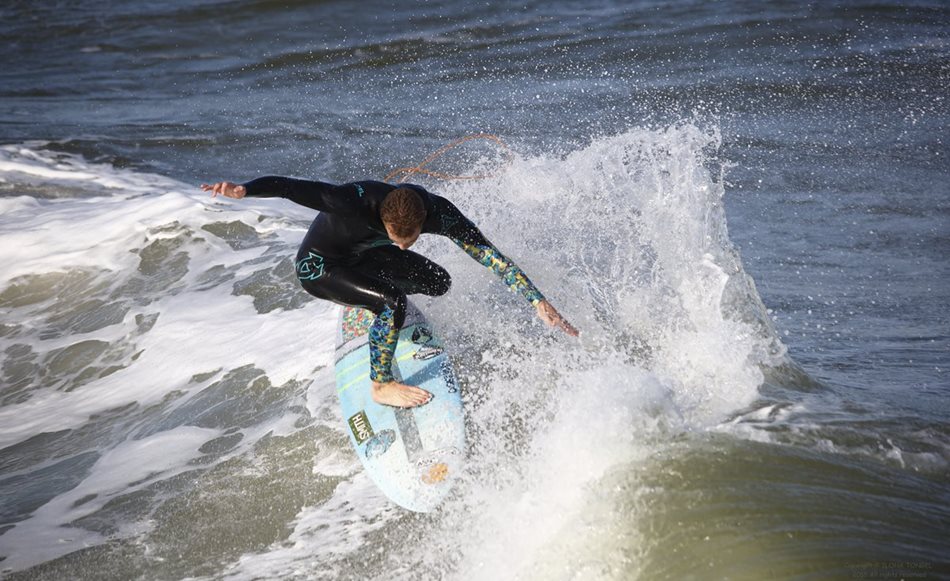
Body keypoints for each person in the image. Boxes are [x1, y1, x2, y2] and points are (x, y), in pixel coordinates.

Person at [201, 177, 578, 408]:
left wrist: (537, 301)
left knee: (438, 282)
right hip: (320, 267)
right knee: (393, 302)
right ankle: (381, 384)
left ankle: (370, 298)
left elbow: (488, 255)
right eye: (396, 237)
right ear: (383, 217)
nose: (401, 245)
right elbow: (290, 187)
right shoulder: (350, 201)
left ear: (422, 222)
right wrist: (244, 190)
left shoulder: (439, 213)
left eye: (407, 239)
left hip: (363, 258)